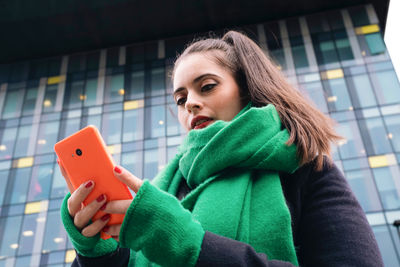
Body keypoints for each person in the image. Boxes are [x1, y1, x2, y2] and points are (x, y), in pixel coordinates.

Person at [59, 30, 384, 266]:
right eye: (181, 99)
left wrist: (187, 243)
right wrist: (96, 252)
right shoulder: (164, 191)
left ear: (246, 89)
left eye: (207, 86)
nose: (191, 104)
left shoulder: (304, 169)